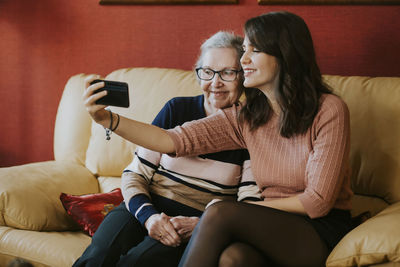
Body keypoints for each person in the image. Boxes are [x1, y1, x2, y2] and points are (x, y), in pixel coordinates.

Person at [83, 11, 354, 267]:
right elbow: (170, 140)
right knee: (232, 260)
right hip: (265, 223)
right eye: (244, 49)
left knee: (219, 211)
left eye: (254, 51)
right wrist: (108, 120)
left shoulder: (329, 110)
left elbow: (318, 201)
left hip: (318, 228)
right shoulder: (247, 117)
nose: (244, 60)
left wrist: (232, 211)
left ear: (284, 55)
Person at [74, 31, 261, 267]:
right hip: (145, 206)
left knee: (137, 262)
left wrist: (203, 226)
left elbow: (248, 205)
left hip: (193, 223)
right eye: (207, 72)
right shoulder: (177, 109)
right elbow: (135, 174)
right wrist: (148, 217)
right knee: (97, 255)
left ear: (243, 76)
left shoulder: (249, 126)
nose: (215, 83)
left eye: (227, 73)